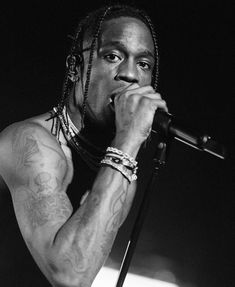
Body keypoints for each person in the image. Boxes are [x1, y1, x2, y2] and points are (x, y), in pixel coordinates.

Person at [0, 4, 168, 287]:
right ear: (75, 67)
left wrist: (123, 152)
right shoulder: (29, 142)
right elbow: (69, 275)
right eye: (113, 56)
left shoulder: (119, 170)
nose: (130, 75)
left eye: (144, 64)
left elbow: (85, 270)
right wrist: (127, 142)